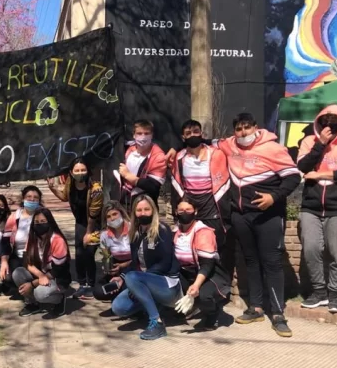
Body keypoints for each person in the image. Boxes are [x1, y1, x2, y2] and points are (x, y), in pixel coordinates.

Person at [213, 113, 301, 337]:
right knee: (250, 261)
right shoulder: (229, 145)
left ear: (255, 127)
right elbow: (208, 143)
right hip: (241, 215)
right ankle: (256, 308)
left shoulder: (273, 148)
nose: (243, 133)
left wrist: (274, 197)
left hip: (268, 215)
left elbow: (292, 177)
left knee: (272, 262)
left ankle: (278, 314)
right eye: (239, 129)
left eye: (247, 128)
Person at [297, 105, 337, 314]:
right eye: (325, 120)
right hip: (311, 206)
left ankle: (334, 293)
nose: (329, 124)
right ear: (318, 122)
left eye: (334, 120)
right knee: (311, 248)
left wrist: (319, 175)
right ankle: (319, 291)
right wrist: (321, 144)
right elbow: (303, 166)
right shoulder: (309, 141)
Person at [111, 195, 179, 340]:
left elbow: (165, 263)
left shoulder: (162, 230)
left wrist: (141, 280)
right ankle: (153, 307)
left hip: (167, 284)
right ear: (134, 213)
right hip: (142, 281)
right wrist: (122, 278)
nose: (143, 213)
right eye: (139, 210)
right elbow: (135, 263)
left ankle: (157, 323)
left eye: (147, 209)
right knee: (118, 307)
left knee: (133, 277)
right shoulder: (135, 233)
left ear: (153, 211)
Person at [168, 119, 230, 251]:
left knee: (217, 246)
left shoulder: (216, 154)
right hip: (190, 207)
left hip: (212, 207)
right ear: (183, 137)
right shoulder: (178, 158)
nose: (193, 135)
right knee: (191, 246)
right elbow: (175, 186)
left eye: (196, 131)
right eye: (188, 133)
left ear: (201, 133)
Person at [47, 158, 104, 299]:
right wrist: (52, 188)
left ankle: (90, 285)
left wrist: (89, 233)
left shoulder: (96, 188)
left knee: (89, 254)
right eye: (77, 170)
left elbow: (93, 213)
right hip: (79, 223)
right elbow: (64, 197)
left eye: (83, 170)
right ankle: (82, 284)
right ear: (71, 173)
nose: (80, 173)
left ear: (88, 171)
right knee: (79, 255)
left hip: (94, 224)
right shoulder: (70, 183)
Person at [174, 197, 231, 330]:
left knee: (204, 295)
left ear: (195, 211)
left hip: (209, 273)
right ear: (176, 212)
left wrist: (196, 285)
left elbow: (207, 264)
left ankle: (212, 313)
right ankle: (186, 308)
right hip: (185, 272)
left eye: (188, 209)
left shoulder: (203, 231)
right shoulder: (175, 231)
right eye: (181, 210)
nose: (184, 212)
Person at [12, 207, 71, 317]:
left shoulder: (57, 240)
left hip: (57, 278)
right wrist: (40, 276)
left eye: (43, 222)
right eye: (36, 222)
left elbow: (58, 270)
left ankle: (59, 299)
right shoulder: (32, 238)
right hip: (41, 274)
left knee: (40, 293)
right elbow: (27, 261)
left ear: (50, 222)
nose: (39, 225)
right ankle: (33, 304)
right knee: (18, 273)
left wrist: (32, 284)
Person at [117, 119, 167, 209]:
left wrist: (128, 176)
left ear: (152, 135)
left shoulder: (158, 156)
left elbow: (153, 186)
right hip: (124, 202)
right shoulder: (128, 149)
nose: (143, 137)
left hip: (145, 205)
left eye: (146, 133)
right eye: (139, 133)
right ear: (134, 135)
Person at [93, 201, 132, 302]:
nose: (112, 218)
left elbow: (139, 258)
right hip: (116, 268)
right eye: (108, 216)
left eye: (115, 214)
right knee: (98, 291)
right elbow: (106, 256)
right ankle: (119, 292)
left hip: (133, 266)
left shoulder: (133, 229)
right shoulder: (105, 235)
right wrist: (106, 266)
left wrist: (123, 266)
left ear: (121, 214)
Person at [2, 185, 43, 275]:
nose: (32, 199)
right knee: (8, 275)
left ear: (39, 201)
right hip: (17, 257)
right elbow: (5, 241)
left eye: (35, 197)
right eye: (29, 197)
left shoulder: (43, 217)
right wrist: (4, 262)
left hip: (37, 258)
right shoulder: (14, 217)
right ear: (23, 199)